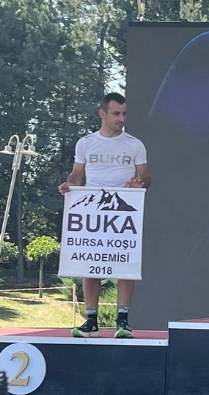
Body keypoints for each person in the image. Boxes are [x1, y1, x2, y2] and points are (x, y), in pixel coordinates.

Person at [58, 92, 150, 338]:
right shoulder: (86, 143)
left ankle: (123, 321)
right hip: (92, 212)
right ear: (102, 114)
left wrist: (139, 182)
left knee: (125, 264)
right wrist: (70, 184)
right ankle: (91, 321)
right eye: (116, 113)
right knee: (90, 264)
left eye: (124, 114)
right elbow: (77, 173)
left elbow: (146, 176)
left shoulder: (134, 144)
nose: (121, 119)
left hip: (124, 212)